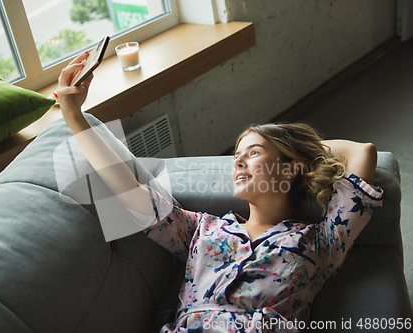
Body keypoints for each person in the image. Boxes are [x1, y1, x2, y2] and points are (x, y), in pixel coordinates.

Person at [57, 52, 383, 333]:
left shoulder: (322, 243)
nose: (238, 160)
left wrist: (303, 153)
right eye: (237, 156)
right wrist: (73, 115)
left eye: (253, 153)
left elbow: (363, 152)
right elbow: (127, 187)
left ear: (290, 167)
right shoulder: (199, 229)